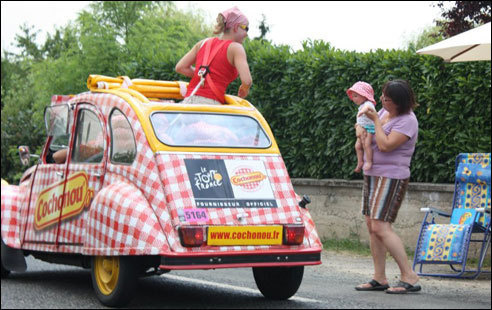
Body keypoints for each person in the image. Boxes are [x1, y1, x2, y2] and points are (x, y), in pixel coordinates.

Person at [354, 79, 421, 294]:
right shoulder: (382, 112)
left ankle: (409, 276)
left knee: (381, 226)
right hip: (372, 173)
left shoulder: (407, 121)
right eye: (383, 96)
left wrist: (374, 121)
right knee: (371, 225)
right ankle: (379, 277)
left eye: (388, 99)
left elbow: (384, 145)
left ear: (400, 103)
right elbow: (362, 126)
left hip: (392, 177)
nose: (383, 100)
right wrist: (363, 124)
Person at [175, 6, 253, 105]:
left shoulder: (203, 43)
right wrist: (245, 89)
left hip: (188, 101)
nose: (246, 34)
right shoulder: (236, 48)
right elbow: (247, 81)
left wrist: (205, 75)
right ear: (236, 27)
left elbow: (180, 67)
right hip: (211, 107)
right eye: (246, 28)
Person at [346, 81, 377, 172]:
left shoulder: (368, 104)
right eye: (353, 96)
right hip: (362, 127)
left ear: (365, 95)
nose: (354, 99)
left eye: (356, 96)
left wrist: (362, 111)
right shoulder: (362, 105)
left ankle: (369, 161)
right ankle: (360, 162)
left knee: (366, 144)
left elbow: (367, 108)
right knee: (358, 146)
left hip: (369, 128)